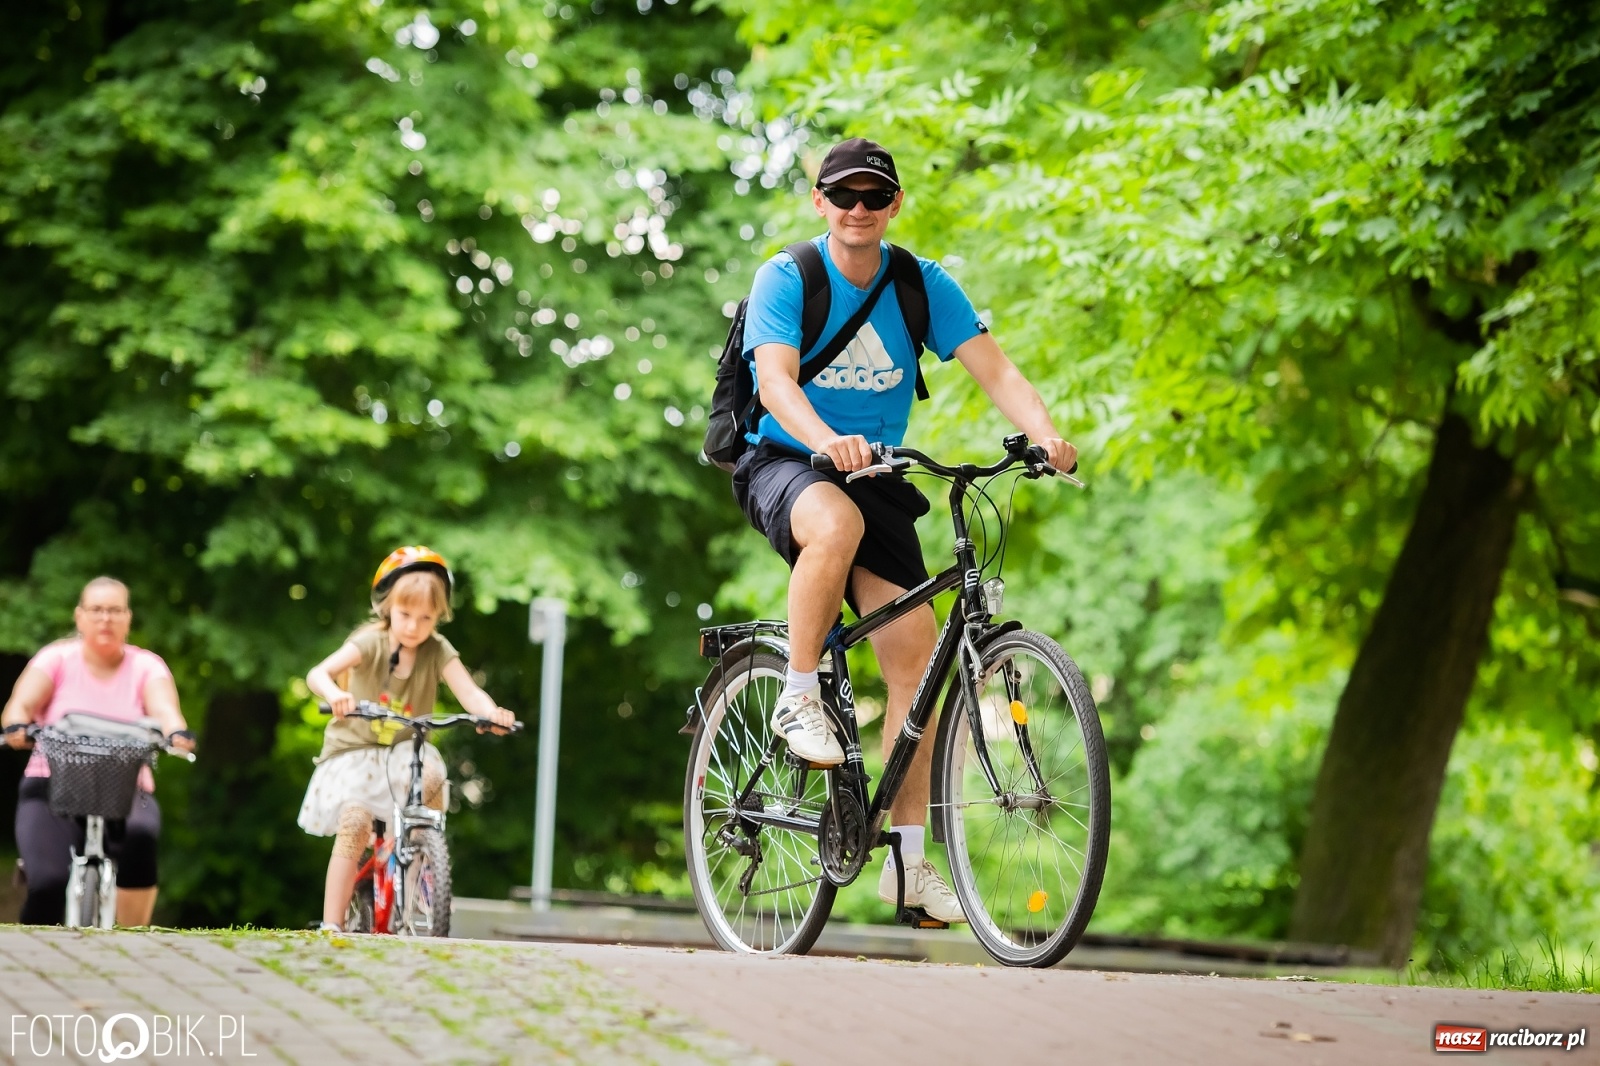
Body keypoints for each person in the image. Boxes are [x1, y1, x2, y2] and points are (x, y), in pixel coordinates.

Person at [734, 138, 1078, 924]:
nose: (859, 209)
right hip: (787, 461)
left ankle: (908, 869)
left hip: (877, 475)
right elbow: (775, 381)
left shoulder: (923, 285)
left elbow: (998, 371)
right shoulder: (788, 277)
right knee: (835, 519)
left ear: (893, 207)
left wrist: (1045, 435)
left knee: (917, 663)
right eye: (843, 196)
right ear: (819, 202)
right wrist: (824, 439)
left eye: (874, 198)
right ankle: (796, 692)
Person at [299, 545, 517, 932]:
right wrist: (335, 696)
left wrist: (491, 713)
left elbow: (470, 694)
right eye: (405, 615)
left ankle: (420, 855)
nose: (414, 627)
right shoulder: (371, 641)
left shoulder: (437, 650)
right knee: (355, 822)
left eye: (426, 617)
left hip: (404, 749)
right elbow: (319, 673)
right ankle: (332, 925)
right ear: (387, 606)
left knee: (430, 776)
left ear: (438, 616)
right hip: (355, 751)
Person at [0, 576, 196, 926]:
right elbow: (21, 705)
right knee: (47, 884)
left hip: (123, 787)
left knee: (141, 836)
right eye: (97, 610)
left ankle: (134, 937)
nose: (105, 618)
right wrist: (16, 725)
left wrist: (176, 732)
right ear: (80, 617)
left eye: (115, 610)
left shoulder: (145, 666)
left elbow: (166, 709)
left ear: (128, 618)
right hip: (50, 784)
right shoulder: (56, 660)